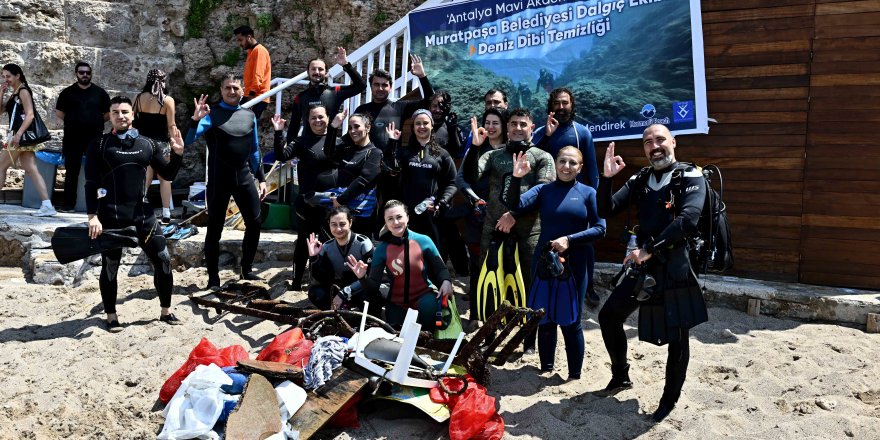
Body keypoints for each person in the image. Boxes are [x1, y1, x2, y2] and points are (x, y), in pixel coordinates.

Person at [595, 124, 709, 422]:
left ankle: (668, 401)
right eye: (648, 142)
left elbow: (687, 220)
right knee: (609, 317)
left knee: (678, 337)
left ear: (673, 142)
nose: (655, 146)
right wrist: (605, 179)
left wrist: (648, 248)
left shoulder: (691, 176)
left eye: (660, 140)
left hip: (674, 266)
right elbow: (607, 209)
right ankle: (621, 376)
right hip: (642, 265)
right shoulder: (640, 178)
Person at [85, 95, 185, 331]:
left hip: (142, 214)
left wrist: (178, 154)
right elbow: (90, 183)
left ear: (133, 115)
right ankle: (111, 316)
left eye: (125, 112)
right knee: (110, 266)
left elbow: (168, 175)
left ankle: (166, 312)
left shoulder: (146, 144)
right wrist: (92, 216)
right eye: (115, 112)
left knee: (163, 260)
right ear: (110, 116)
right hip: (111, 216)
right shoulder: (99, 145)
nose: (120, 116)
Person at [506, 147, 606, 380]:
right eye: (562, 161)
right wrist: (516, 178)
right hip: (544, 261)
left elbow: (600, 229)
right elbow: (515, 205)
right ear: (556, 163)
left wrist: (569, 240)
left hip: (576, 263)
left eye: (573, 163)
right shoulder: (544, 190)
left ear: (580, 168)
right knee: (545, 317)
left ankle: (574, 375)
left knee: (571, 321)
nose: (566, 167)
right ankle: (547, 368)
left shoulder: (589, 193)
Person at [462, 108, 555, 352]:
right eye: (513, 123)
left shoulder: (542, 157)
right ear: (508, 127)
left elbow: (544, 192)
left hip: (529, 231)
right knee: (493, 284)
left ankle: (528, 341)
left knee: (528, 285)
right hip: (493, 229)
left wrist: (515, 215)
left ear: (532, 127)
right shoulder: (494, 155)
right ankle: (491, 335)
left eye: (523, 124)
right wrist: (474, 147)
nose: (517, 128)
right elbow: (471, 176)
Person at [185, 74, 267, 290]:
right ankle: (213, 278)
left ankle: (246, 269)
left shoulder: (249, 116)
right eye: (228, 88)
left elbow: (255, 150)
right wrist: (194, 120)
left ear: (242, 90)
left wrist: (261, 178)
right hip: (219, 181)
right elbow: (188, 140)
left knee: (255, 222)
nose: (232, 92)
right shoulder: (212, 114)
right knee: (215, 229)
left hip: (243, 177)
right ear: (221, 90)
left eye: (236, 88)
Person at [532, 88, 601, 308]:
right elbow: (533, 159)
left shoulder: (582, 133)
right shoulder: (543, 132)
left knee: (584, 243)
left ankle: (588, 286)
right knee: (547, 240)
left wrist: (592, 201)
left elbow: (592, 169)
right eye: (557, 104)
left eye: (565, 103)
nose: (561, 108)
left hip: (577, 195)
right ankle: (546, 279)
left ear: (572, 105)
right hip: (549, 196)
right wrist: (548, 136)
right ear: (550, 106)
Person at [348, 200, 454, 328]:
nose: (396, 222)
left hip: (424, 296)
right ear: (385, 222)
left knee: (429, 309)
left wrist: (446, 281)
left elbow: (440, 268)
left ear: (407, 218)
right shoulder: (382, 250)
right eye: (390, 219)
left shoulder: (424, 240)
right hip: (397, 303)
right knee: (398, 333)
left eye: (399, 217)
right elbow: (373, 287)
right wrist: (362, 277)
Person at [271, 106, 339, 290]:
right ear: (308, 121)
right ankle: (296, 282)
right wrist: (278, 133)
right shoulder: (302, 142)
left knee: (329, 242)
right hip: (307, 201)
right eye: (313, 118)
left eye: (321, 117)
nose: (318, 121)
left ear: (328, 118)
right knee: (303, 242)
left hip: (330, 204)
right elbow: (281, 155)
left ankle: (325, 280)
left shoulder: (338, 142)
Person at [455, 108, 507, 329]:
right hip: (477, 218)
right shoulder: (476, 148)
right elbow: (461, 179)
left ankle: (498, 315)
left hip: (504, 219)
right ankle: (476, 314)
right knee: (477, 267)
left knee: (502, 268)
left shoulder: (511, 151)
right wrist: (476, 200)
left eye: (496, 122)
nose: (492, 127)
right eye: (488, 122)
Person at [385, 109, 457, 255]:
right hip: (406, 213)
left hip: (431, 212)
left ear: (432, 126)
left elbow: (453, 182)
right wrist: (392, 142)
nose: (422, 126)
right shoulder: (404, 152)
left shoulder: (442, 154)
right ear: (413, 127)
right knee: (406, 255)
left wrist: (441, 203)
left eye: (425, 123)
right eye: (418, 123)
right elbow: (389, 167)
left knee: (433, 254)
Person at [1, 64, 57, 216]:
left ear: (17, 75)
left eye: (9, 76)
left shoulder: (23, 91)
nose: (6, 79)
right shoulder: (14, 93)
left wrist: (18, 134)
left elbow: (30, 114)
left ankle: (47, 206)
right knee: (32, 170)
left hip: (18, 137)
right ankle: (47, 205)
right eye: (4, 76)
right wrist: (1, 92)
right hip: (20, 137)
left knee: (1, 167)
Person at [54, 61, 110, 212]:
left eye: (88, 72)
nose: (85, 75)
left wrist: (93, 122)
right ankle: (68, 204)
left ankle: (98, 205)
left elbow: (107, 114)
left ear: (91, 74)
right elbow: (59, 113)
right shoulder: (67, 93)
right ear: (76, 74)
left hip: (94, 139)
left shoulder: (100, 93)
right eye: (81, 72)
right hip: (72, 139)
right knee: (72, 172)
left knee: (96, 172)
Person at [323, 110, 383, 237]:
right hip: (340, 212)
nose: (352, 131)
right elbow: (328, 153)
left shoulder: (375, 153)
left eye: (357, 126)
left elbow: (364, 179)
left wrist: (340, 200)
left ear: (368, 128)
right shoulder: (347, 150)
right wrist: (333, 127)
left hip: (360, 214)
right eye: (350, 128)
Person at [287, 47, 366, 139]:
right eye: (313, 69)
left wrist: (346, 65)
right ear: (308, 72)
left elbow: (361, 86)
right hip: (306, 145)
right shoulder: (300, 98)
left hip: (329, 144)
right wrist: (290, 149)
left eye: (320, 69)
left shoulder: (335, 92)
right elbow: (293, 126)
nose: (317, 72)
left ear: (327, 73)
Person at [305, 206, 373, 310]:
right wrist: (314, 257)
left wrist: (345, 293)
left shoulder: (363, 243)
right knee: (316, 293)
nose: (338, 229)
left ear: (350, 223)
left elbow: (372, 278)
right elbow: (320, 279)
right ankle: (335, 313)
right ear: (329, 224)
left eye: (342, 224)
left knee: (369, 295)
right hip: (338, 288)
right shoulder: (327, 247)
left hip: (358, 289)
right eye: (334, 225)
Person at [132, 69, 178, 223]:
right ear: (163, 81)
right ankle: (166, 213)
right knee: (165, 178)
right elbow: (171, 125)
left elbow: (131, 120)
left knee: (146, 176)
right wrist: (175, 142)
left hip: (142, 142)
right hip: (160, 144)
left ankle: (137, 207)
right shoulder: (167, 100)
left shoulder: (138, 98)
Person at [234, 25, 271, 120]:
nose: (239, 43)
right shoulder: (252, 50)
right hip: (251, 95)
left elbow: (258, 76)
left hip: (256, 97)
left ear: (249, 37)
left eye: (240, 40)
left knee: (246, 127)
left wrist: (251, 98)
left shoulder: (259, 51)